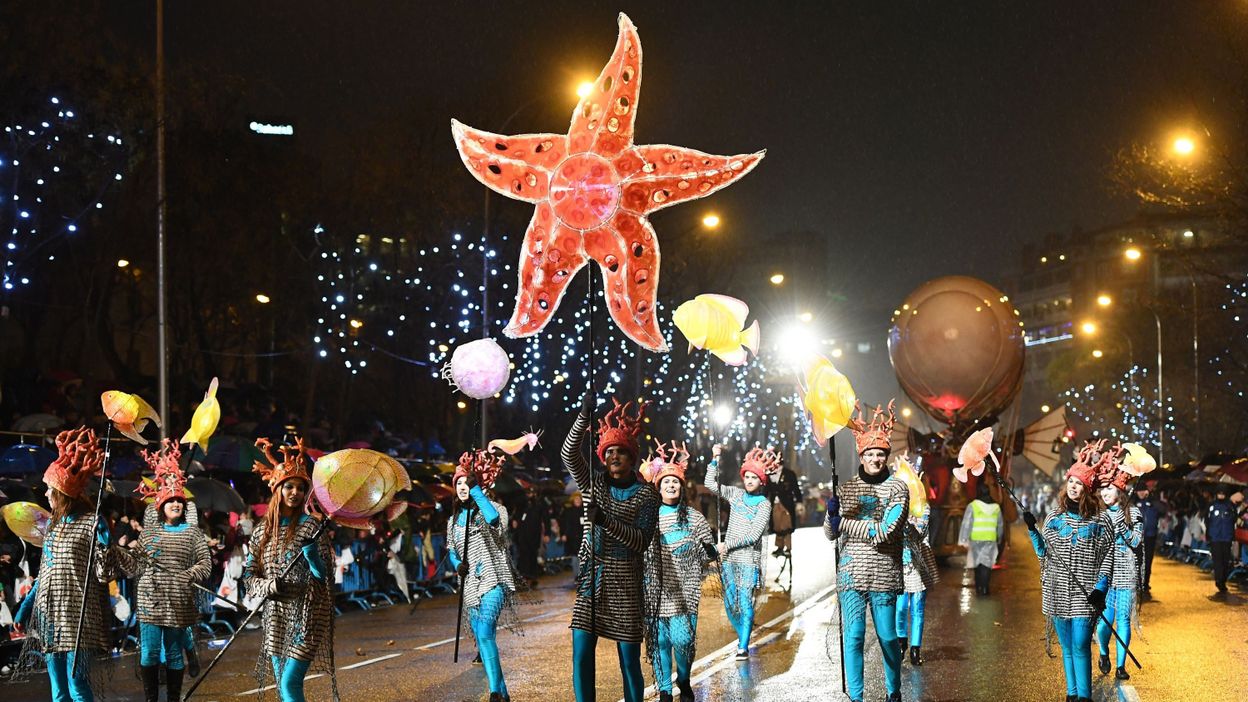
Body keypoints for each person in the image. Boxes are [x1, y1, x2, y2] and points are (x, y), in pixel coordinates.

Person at [562, 396, 659, 702]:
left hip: (626, 582)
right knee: (580, 654)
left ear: (632, 458)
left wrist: (605, 520)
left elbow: (641, 541)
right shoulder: (594, 485)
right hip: (594, 578)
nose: (614, 456)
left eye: (621, 452)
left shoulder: (646, 495)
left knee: (629, 662)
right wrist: (582, 416)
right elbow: (569, 454)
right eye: (609, 452)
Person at [14, 427, 112, 702]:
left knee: (77, 685)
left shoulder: (91, 523)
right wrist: (25, 609)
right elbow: (45, 576)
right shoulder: (53, 529)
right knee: (58, 692)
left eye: (49, 489)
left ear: (62, 493)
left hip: (78, 617)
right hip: (49, 617)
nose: (45, 495)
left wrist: (104, 540)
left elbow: (105, 570)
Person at [114, 439, 212, 702]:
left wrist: (189, 574)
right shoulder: (150, 533)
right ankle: (150, 699)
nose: (176, 504)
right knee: (149, 653)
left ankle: (172, 698)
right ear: (161, 505)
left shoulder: (192, 532)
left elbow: (205, 563)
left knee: (173, 654)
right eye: (171, 501)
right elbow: (135, 565)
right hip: (151, 600)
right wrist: (118, 554)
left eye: (179, 501)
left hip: (179, 601)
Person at [824, 401, 908, 702]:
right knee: (855, 637)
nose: (875, 459)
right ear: (862, 455)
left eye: (880, 454)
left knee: (887, 637)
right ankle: (856, 697)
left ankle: (893, 691)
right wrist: (830, 515)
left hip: (883, 573)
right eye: (870, 454)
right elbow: (831, 534)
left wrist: (844, 521)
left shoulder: (898, 489)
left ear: (887, 456)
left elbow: (884, 531)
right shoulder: (846, 489)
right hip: (850, 575)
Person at [243, 438, 337, 702]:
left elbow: (324, 577)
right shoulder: (262, 531)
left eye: (299, 488)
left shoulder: (311, 526)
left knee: (289, 683)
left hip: (308, 613)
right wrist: (266, 586)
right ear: (278, 489)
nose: (294, 492)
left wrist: (311, 555)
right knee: (281, 687)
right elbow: (249, 576)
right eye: (289, 487)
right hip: (275, 616)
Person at [1021, 440, 1115, 702]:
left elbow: (1109, 555)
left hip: (1086, 594)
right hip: (1057, 591)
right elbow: (1043, 553)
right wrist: (1032, 530)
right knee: (1067, 647)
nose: (1074, 487)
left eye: (1079, 483)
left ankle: (1085, 697)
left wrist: (1101, 587)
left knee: (1081, 644)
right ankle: (1071, 694)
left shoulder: (1101, 519)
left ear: (1088, 488)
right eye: (1071, 482)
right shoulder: (1054, 517)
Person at [640, 441, 715, 702]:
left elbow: (707, 553)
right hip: (656, 590)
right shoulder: (648, 517)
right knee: (659, 643)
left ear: (682, 488)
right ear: (658, 487)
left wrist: (711, 551)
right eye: (666, 482)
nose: (671, 486)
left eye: (675, 483)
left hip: (686, 592)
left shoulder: (695, 518)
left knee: (683, 642)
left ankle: (683, 678)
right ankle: (664, 689)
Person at [448, 449, 521, 702]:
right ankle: (502, 692)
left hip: (494, 580)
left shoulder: (496, 509)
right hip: (470, 586)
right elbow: (451, 550)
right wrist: (458, 564)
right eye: (458, 483)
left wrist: (476, 490)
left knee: (487, 632)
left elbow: (493, 522)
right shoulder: (453, 520)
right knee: (481, 635)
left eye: (465, 482)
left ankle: (493, 693)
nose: (462, 487)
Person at [706, 444, 773, 660]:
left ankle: (743, 645)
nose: (750, 481)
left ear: (761, 481)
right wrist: (715, 459)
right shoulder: (735, 494)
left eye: (755, 477)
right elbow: (710, 484)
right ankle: (743, 631)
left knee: (744, 602)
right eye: (747, 477)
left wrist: (727, 543)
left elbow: (754, 536)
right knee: (729, 603)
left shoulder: (764, 504)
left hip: (747, 560)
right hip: (729, 560)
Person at [1096, 461, 1143, 681]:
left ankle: (1121, 666)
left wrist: (1122, 526)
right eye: (1102, 488)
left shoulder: (1133, 512)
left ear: (1120, 490)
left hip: (1126, 575)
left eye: (1110, 488)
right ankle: (1104, 652)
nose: (1105, 492)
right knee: (1105, 621)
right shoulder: (1098, 514)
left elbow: (1136, 541)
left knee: (1123, 620)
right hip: (1105, 576)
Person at [895, 459, 938, 666]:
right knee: (901, 607)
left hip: (918, 566)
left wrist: (904, 522)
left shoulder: (924, 510)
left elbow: (918, 534)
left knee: (918, 609)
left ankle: (915, 649)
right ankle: (901, 642)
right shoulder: (895, 509)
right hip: (899, 566)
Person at [958, 482, 1003, 595]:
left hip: (976, 539)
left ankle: (979, 587)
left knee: (977, 564)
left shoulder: (973, 505)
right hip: (990, 539)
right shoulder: (996, 507)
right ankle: (985, 588)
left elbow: (966, 523)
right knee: (987, 564)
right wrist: (999, 538)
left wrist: (963, 539)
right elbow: (1000, 525)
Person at [766, 460, 801, 557]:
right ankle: (779, 547)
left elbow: (796, 489)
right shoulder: (769, 474)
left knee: (787, 526)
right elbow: (766, 490)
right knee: (777, 526)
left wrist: (799, 502)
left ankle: (788, 548)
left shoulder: (789, 474)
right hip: (775, 504)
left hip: (787, 504)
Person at [1133, 484, 1163, 595]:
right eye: (1139, 491)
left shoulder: (1152, 503)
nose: (1141, 493)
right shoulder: (1133, 503)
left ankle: (1145, 583)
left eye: (1143, 491)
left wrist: (1151, 498)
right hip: (1136, 537)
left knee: (1148, 560)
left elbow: (1163, 509)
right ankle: (1137, 582)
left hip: (1150, 536)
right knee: (1137, 560)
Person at [1207, 485, 1236, 596]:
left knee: (1225, 560)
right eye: (1219, 493)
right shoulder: (1212, 506)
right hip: (1215, 537)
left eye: (1223, 493)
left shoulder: (1230, 506)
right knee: (1217, 560)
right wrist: (1209, 535)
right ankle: (1219, 580)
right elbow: (1207, 521)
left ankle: (1223, 580)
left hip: (1227, 537)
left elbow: (1234, 520)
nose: (1221, 495)